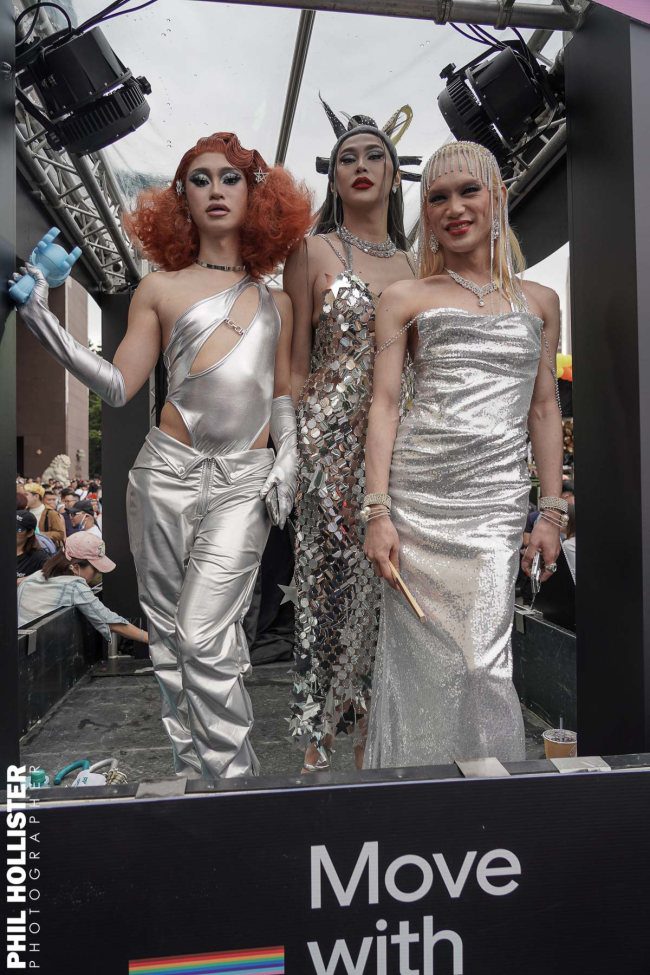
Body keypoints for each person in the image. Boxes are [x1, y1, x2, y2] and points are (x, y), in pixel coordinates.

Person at [11, 132, 312, 781]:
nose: (215, 190)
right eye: (199, 179)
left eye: (230, 178)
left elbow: (284, 392)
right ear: (181, 199)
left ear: (256, 195)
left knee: (204, 634)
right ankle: (197, 780)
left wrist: (289, 455)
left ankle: (234, 785)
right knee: (172, 645)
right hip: (163, 476)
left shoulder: (279, 301)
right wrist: (40, 317)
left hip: (245, 481)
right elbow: (119, 384)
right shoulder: (159, 288)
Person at [363, 140, 565, 769]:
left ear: (497, 197)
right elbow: (384, 405)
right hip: (417, 502)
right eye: (438, 197)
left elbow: (544, 410)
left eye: (468, 191)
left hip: (495, 505)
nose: (454, 208)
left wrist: (551, 511)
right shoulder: (404, 297)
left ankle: (487, 802)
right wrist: (377, 511)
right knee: (421, 666)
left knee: (482, 665)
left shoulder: (540, 302)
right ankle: (413, 799)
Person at [284, 98, 419, 772]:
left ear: (394, 174)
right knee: (327, 599)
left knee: (389, 600)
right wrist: (289, 450)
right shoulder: (312, 251)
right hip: (327, 454)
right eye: (347, 158)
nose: (361, 166)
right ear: (333, 177)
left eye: (374, 156)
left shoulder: (419, 266)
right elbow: (293, 363)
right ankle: (315, 755)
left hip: (401, 455)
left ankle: (372, 758)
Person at [17, 531, 148, 645]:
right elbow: (110, 621)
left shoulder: (31, 579)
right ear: (75, 567)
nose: (97, 574)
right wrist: (149, 639)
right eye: (95, 569)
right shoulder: (74, 586)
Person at [16, 510, 49, 580]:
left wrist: (28, 579)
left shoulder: (38, 558)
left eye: (18, 529)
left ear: (30, 533)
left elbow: (54, 575)